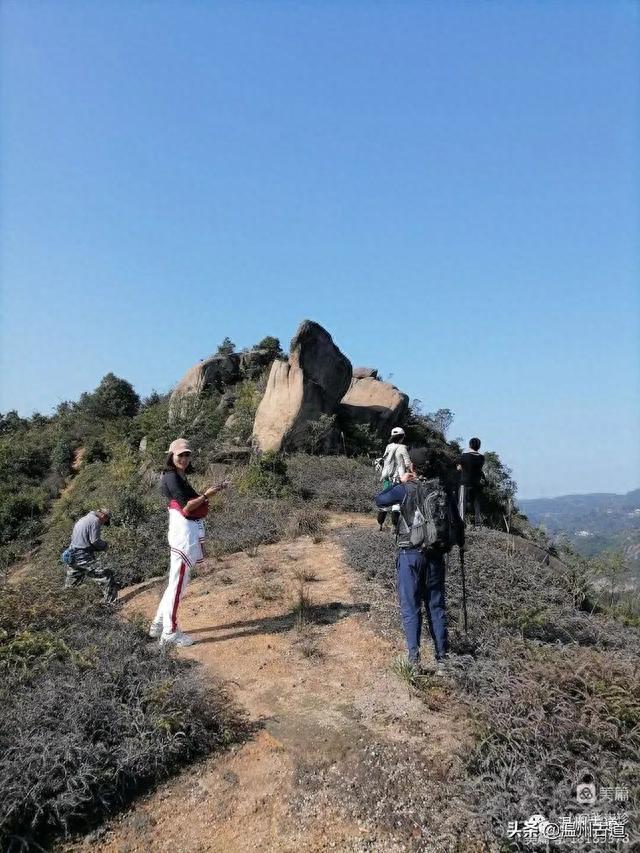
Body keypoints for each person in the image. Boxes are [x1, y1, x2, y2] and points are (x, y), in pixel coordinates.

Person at [374, 471, 463, 677]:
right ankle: (442, 661)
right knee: (436, 607)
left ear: (412, 466)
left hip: (410, 555)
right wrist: (460, 544)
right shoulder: (441, 491)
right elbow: (457, 524)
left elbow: (379, 499)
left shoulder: (404, 488)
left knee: (411, 608)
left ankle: (414, 661)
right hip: (435, 557)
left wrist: (399, 481)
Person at [149, 438, 229, 648]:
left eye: (187, 455)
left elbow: (193, 499)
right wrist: (206, 495)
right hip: (183, 534)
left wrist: (213, 491)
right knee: (178, 583)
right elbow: (187, 507)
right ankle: (170, 632)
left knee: (176, 580)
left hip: (183, 532)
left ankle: (158, 624)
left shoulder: (179, 476)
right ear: (171, 456)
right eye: (179, 455)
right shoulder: (171, 477)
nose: (184, 459)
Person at [64, 508, 117, 603]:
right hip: (83, 555)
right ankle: (111, 603)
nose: (103, 524)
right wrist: (105, 546)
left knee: (71, 585)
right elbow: (95, 541)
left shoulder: (83, 519)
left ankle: (65, 606)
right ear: (104, 516)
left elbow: (78, 539)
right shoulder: (95, 521)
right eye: (105, 521)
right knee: (106, 575)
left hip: (72, 555)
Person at [376, 426, 412, 532]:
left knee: (385, 501)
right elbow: (407, 463)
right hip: (398, 480)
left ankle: (380, 525)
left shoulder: (388, 446)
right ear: (402, 437)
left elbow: (385, 459)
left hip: (387, 477)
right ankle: (394, 527)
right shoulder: (402, 448)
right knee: (396, 503)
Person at [457, 437, 485, 525]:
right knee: (476, 504)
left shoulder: (464, 456)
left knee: (462, 502)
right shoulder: (482, 458)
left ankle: (461, 521)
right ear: (479, 446)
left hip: (464, 482)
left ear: (470, 445)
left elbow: (459, 468)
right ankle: (478, 523)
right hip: (476, 483)